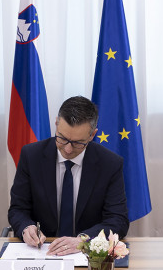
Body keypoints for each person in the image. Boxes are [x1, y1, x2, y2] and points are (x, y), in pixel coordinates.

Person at [8, 96, 129, 256]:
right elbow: (18, 209)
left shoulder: (110, 164)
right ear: (57, 124)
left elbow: (118, 219)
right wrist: (26, 227)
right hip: (43, 251)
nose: (68, 149)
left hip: (87, 256)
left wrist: (84, 240)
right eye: (62, 138)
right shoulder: (31, 156)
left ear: (92, 135)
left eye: (78, 142)